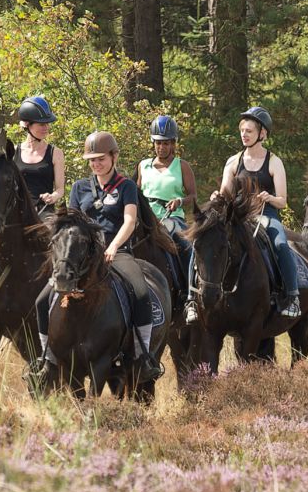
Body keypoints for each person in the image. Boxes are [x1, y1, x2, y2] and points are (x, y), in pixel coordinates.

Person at [28, 131, 164, 386]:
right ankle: (48, 360)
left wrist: (113, 246)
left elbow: (130, 221)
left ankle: (142, 355)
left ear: (114, 157)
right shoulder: (80, 187)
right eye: (92, 160)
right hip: (83, 257)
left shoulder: (127, 187)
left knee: (140, 292)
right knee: (42, 299)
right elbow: (73, 224)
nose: (96, 164)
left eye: (100, 158)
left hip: (118, 251)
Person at [186, 106, 301, 322]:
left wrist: (270, 198)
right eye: (242, 131)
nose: (244, 135)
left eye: (249, 131)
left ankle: (292, 295)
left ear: (262, 133)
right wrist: (215, 197)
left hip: (266, 214)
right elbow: (224, 195)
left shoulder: (274, 162)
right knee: (201, 240)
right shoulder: (233, 161)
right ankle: (192, 298)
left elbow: (283, 201)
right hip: (237, 218)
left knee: (280, 245)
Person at [134, 115, 196, 234]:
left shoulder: (182, 166)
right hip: (146, 217)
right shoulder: (143, 165)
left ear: (173, 144)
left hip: (172, 217)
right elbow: (136, 193)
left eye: (166, 143)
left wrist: (179, 202)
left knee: (181, 242)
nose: (161, 147)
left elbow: (193, 196)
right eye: (158, 143)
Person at [15, 95, 65, 216]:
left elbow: (60, 189)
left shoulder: (55, 153)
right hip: (18, 212)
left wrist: (53, 197)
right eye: (41, 124)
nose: (46, 128)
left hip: (44, 212)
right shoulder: (14, 152)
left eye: (47, 124)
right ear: (27, 125)